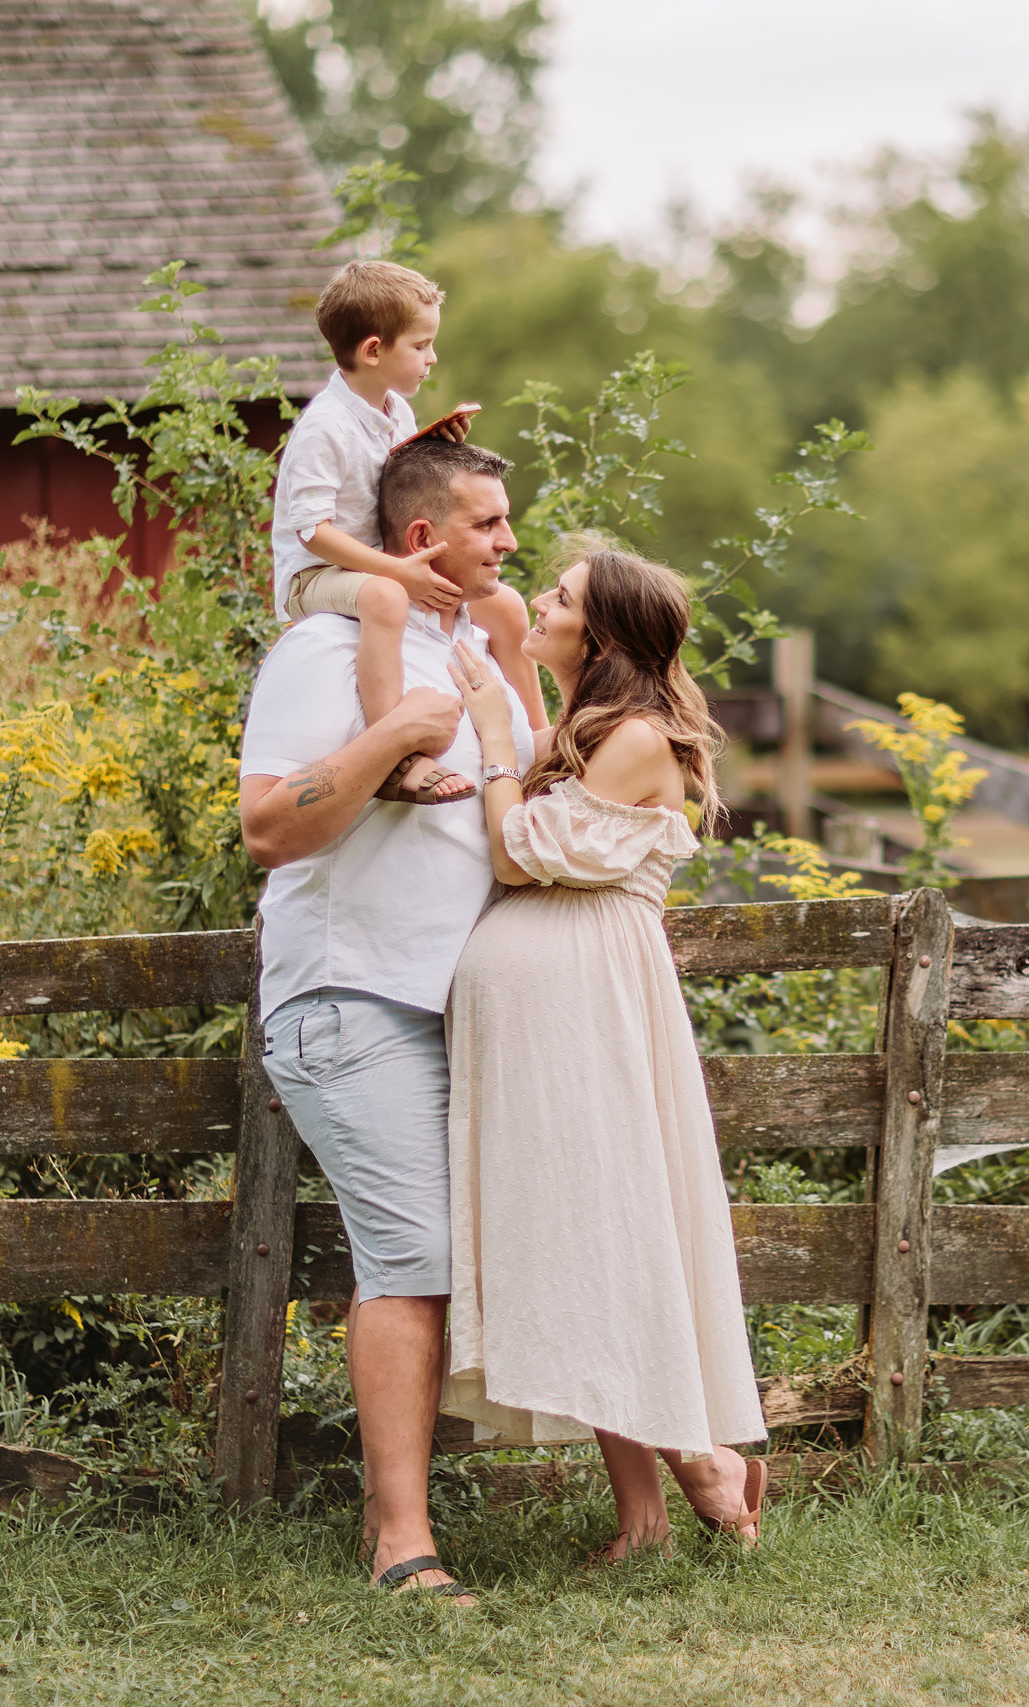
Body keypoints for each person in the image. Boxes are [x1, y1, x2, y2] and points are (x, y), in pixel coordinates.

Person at [236, 437, 536, 1602]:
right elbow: (269, 828)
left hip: (472, 1011)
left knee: (484, 1252)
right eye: (490, 524)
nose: (511, 543)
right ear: (424, 540)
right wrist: (393, 737)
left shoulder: (472, 652)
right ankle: (400, 1543)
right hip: (352, 997)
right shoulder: (324, 647)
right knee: (411, 1263)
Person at [440, 537, 770, 1562]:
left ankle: (698, 1468)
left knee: (611, 1234)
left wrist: (496, 731)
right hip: (541, 1021)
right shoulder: (579, 729)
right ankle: (652, 1512)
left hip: (590, 1008)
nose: (541, 598)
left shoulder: (635, 738)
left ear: (607, 633)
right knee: (580, 1246)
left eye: (562, 595)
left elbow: (516, 851)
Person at [269, 259, 542, 804]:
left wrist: (436, 444)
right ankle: (397, 752)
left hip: (380, 560)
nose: (432, 357)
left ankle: (538, 745)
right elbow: (312, 533)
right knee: (388, 599)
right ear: (374, 351)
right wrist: (394, 571)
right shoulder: (323, 428)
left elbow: (403, 480)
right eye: (421, 345)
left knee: (504, 605)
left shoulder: (395, 409)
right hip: (318, 576)